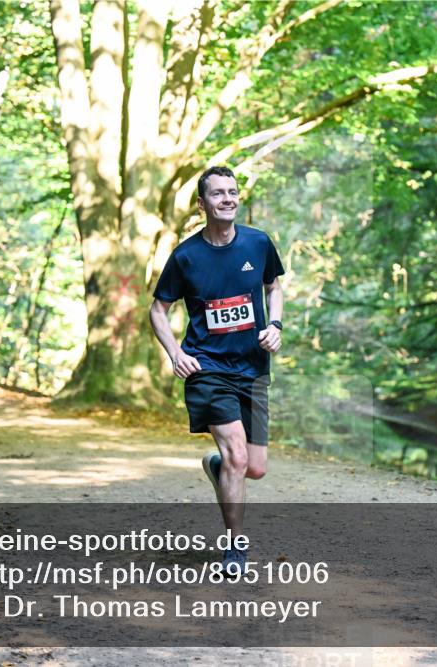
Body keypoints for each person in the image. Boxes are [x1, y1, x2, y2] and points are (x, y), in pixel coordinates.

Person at [149, 165, 285, 576]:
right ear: (202, 203)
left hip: (252, 367)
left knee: (253, 468)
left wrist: (275, 325)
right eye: (218, 194)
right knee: (238, 455)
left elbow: (274, 286)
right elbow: (158, 309)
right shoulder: (186, 256)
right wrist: (175, 353)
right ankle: (235, 548)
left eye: (232, 191)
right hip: (207, 368)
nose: (227, 199)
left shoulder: (259, 244)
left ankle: (217, 466)